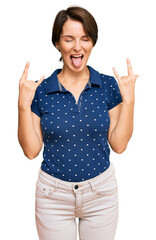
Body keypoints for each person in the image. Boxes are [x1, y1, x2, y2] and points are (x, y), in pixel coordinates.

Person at [18, 6, 139, 240]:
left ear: (92, 42)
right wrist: (23, 106)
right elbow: (31, 151)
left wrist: (129, 101)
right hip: (52, 196)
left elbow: (119, 145)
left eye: (85, 38)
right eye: (68, 39)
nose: (77, 47)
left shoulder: (108, 86)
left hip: (101, 194)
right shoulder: (40, 90)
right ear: (57, 43)